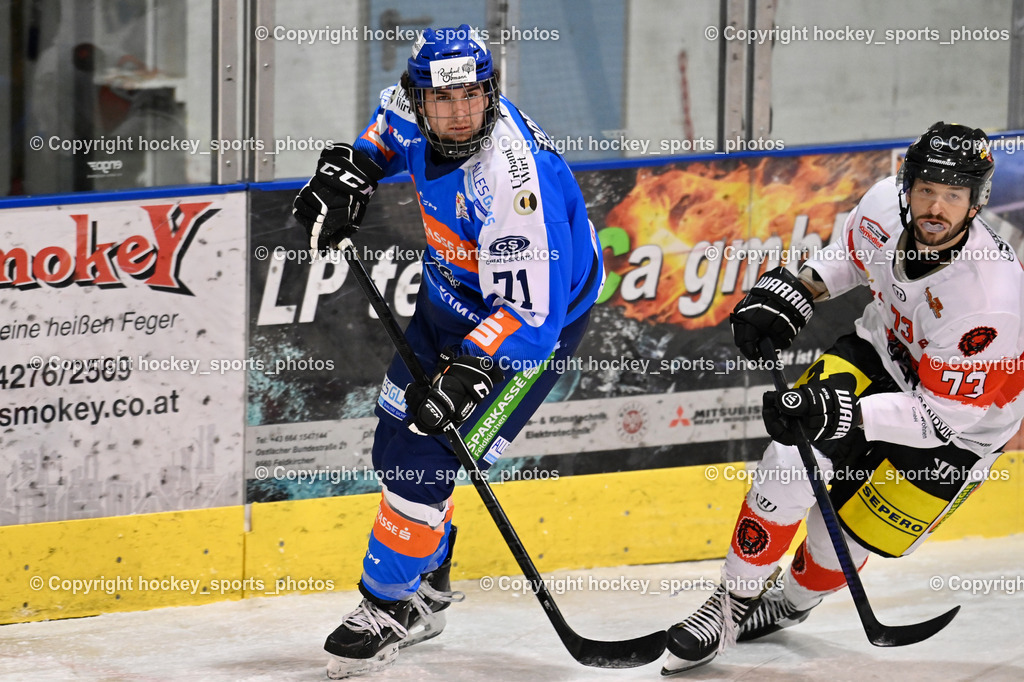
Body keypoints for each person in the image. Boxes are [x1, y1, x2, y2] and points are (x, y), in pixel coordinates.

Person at [291, 25, 603, 679]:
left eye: (474, 95)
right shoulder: (408, 108)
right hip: (446, 296)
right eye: (445, 98)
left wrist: (466, 373)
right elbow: (381, 135)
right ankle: (429, 584)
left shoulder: (514, 185)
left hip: (528, 332)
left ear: (491, 92)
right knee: (393, 438)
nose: (462, 112)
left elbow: (531, 316)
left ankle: (388, 608)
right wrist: (353, 174)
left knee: (421, 457)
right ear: (420, 96)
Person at [662, 121, 1024, 674]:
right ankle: (731, 606)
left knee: (841, 546)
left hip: (962, 428)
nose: (935, 206)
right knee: (788, 458)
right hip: (880, 354)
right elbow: (852, 258)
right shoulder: (883, 205)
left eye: (953, 195)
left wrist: (846, 414)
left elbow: (942, 418)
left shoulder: (989, 299)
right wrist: (796, 291)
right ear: (906, 183)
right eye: (926, 188)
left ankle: (790, 604)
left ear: (975, 203)